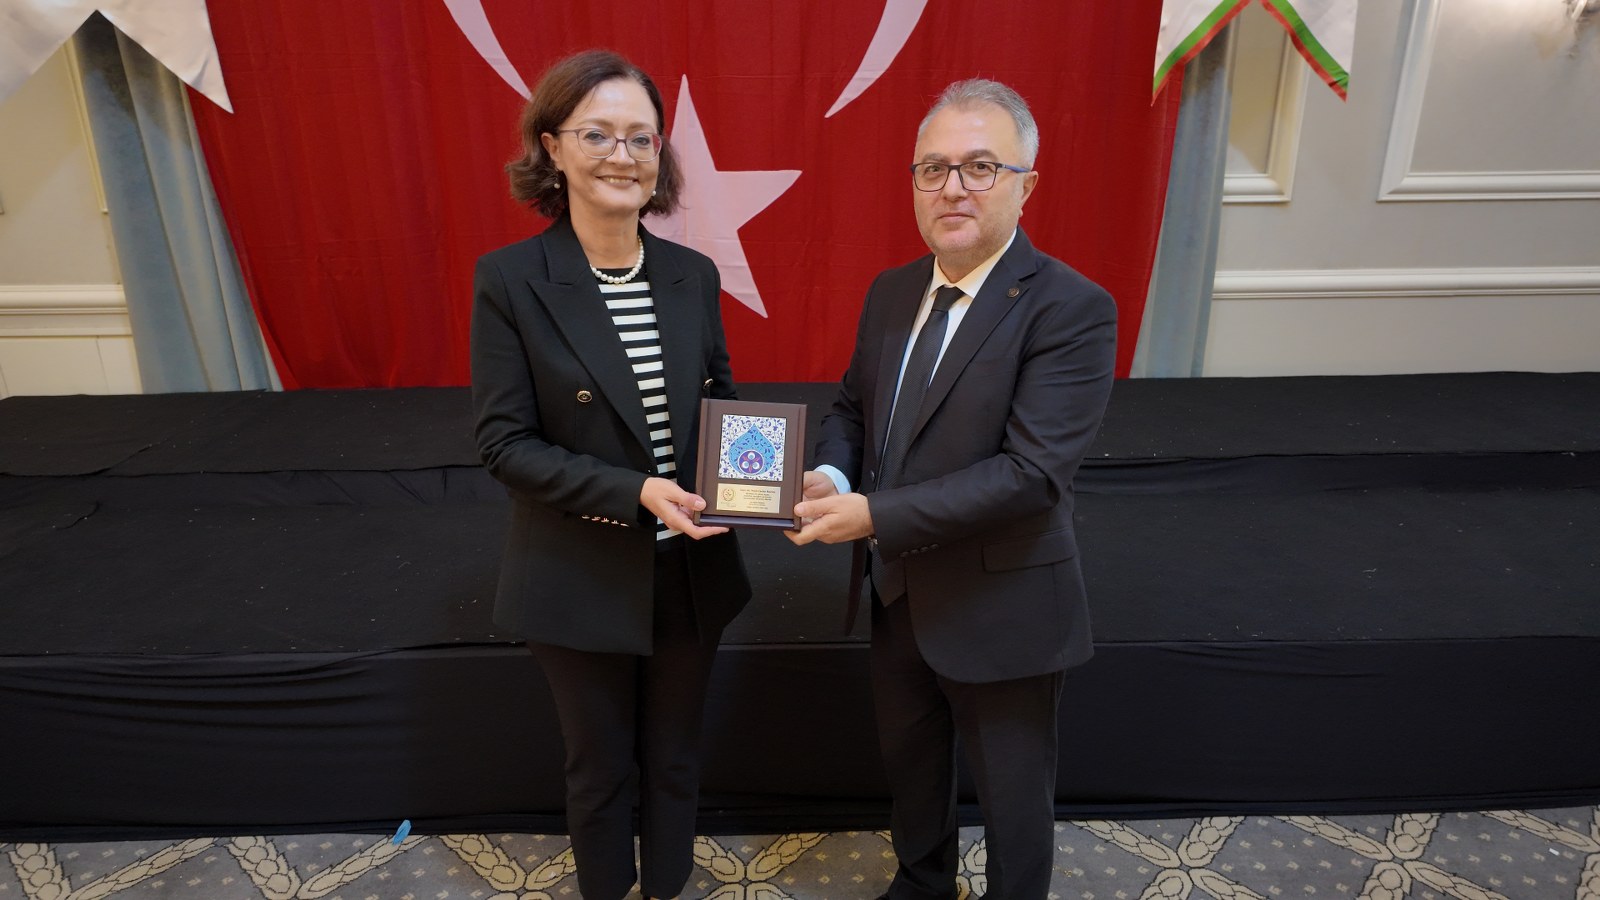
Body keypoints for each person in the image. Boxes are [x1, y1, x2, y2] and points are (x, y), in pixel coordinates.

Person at [787, 79, 1116, 900]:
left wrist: (873, 514)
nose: (953, 188)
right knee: (913, 773)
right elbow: (851, 410)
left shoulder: (1072, 308)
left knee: (1012, 800)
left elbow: (1031, 474)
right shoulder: (892, 290)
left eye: (980, 166)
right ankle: (922, 883)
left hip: (1004, 607)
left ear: (1026, 184)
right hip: (897, 593)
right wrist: (832, 473)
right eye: (932, 169)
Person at [470, 49, 750, 900]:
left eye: (641, 137)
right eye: (597, 135)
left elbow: (722, 403)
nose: (622, 155)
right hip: (579, 573)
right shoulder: (511, 279)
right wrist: (633, 493)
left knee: (676, 759)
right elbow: (505, 444)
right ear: (553, 147)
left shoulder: (693, 274)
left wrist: (755, 481)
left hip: (691, 569)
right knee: (599, 769)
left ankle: (666, 887)